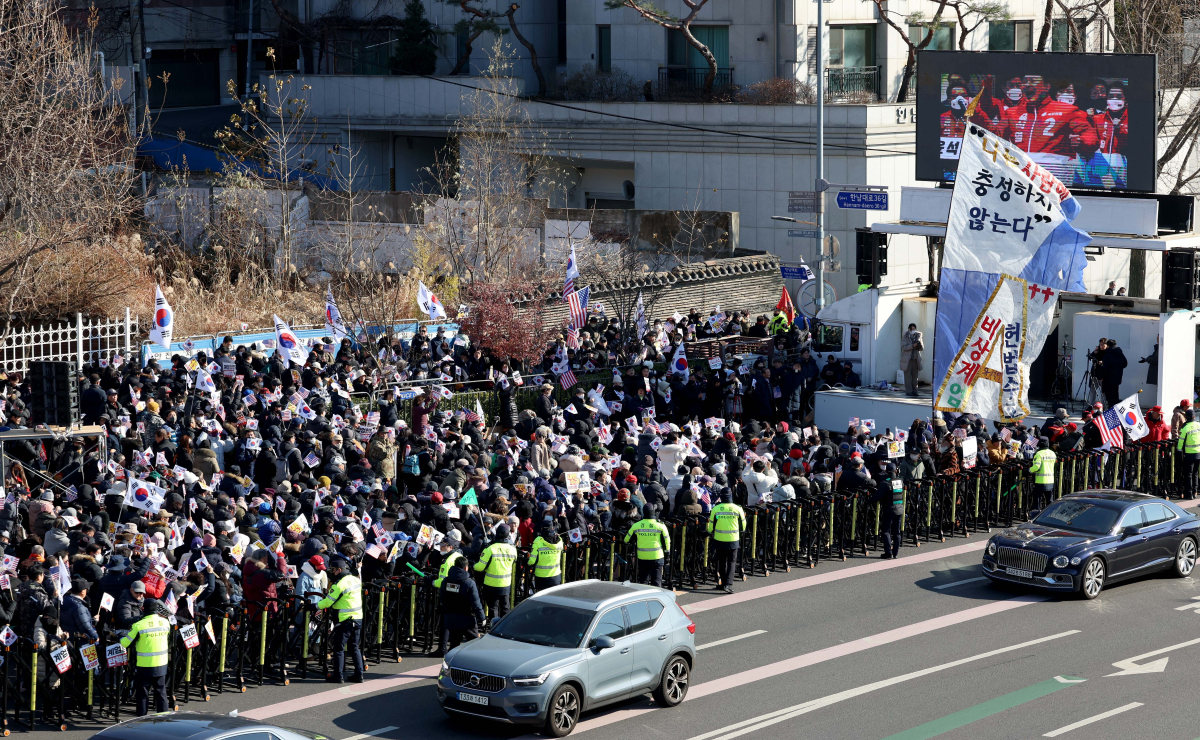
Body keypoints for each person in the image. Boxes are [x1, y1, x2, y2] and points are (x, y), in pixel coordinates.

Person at [120, 598, 172, 716]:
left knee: (143, 694)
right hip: (161, 663)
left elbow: (125, 643)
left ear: (143, 609)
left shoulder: (139, 625)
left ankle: (142, 719)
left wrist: (120, 636)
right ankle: (164, 718)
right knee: (161, 692)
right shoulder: (165, 622)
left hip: (145, 665)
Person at [316, 556, 364, 683]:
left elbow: (327, 602)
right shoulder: (356, 580)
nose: (332, 572)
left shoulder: (339, 584)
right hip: (358, 618)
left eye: (333, 569)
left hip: (344, 620)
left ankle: (338, 676)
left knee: (339, 648)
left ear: (339, 569)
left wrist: (314, 606)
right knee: (354, 647)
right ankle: (359, 675)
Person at [436, 556, 485, 655]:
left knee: (454, 646)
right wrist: (482, 618)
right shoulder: (469, 582)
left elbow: (442, 598)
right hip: (467, 620)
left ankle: (451, 664)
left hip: (451, 619)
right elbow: (476, 602)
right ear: (466, 568)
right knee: (475, 645)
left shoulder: (445, 581)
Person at [474, 524, 518, 620]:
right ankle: (505, 626)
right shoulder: (513, 550)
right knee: (505, 608)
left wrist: (473, 565)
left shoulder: (490, 549)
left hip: (491, 584)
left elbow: (479, 568)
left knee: (493, 609)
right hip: (506, 584)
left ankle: (493, 627)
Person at [706, 490, 745, 593]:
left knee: (722, 562)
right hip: (733, 539)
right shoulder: (738, 508)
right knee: (732, 562)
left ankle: (723, 583)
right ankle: (728, 584)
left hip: (719, 539)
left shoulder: (716, 508)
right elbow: (743, 525)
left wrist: (708, 532)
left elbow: (711, 526)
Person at [624, 504, 671, 588]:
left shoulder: (636, 525)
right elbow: (667, 541)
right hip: (657, 557)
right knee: (656, 583)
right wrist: (667, 555)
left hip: (642, 557)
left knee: (643, 583)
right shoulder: (661, 525)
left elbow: (626, 540)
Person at [870, 463, 905, 559]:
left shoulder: (885, 483)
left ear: (886, 471)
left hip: (889, 509)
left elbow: (877, 496)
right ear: (896, 471)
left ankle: (888, 552)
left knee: (886, 531)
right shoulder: (900, 481)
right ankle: (895, 553)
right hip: (900, 509)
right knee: (897, 532)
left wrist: (868, 501)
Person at [527, 524, 564, 591]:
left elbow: (532, 561)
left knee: (542, 596)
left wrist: (527, 562)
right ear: (552, 528)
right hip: (555, 576)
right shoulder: (559, 541)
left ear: (541, 528)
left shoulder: (538, 541)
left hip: (541, 577)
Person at [1029, 437, 1057, 510]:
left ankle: (1036, 514)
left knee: (1037, 502)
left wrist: (1029, 470)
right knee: (1049, 502)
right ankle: (1049, 514)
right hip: (1050, 480)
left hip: (1040, 481)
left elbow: (1036, 467)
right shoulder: (1052, 453)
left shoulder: (1039, 454)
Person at [1177, 410, 1200, 498]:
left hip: (1189, 454)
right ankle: (1195, 492)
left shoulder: (1185, 428)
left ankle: (1189, 494)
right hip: (1198, 453)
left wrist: (1179, 451)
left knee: (1188, 474)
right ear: (1194, 417)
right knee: (1195, 473)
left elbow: (1181, 442)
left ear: (1186, 417)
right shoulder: (1198, 425)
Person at [1097, 338, 1127, 407]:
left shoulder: (1107, 354)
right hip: (1117, 377)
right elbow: (1125, 363)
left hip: (1108, 378)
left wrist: (1100, 376)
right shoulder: (1120, 353)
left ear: (1108, 346)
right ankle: (1116, 409)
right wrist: (1118, 368)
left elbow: (1105, 368)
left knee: (1109, 396)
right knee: (1115, 394)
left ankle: (1111, 409)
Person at [901, 323, 924, 398]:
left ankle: (915, 391)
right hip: (907, 360)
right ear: (909, 329)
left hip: (916, 359)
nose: (913, 330)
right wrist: (912, 346)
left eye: (914, 329)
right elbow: (904, 347)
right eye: (911, 329)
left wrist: (919, 345)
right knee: (908, 377)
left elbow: (922, 348)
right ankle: (908, 391)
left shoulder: (918, 336)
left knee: (915, 377)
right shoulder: (905, 336)